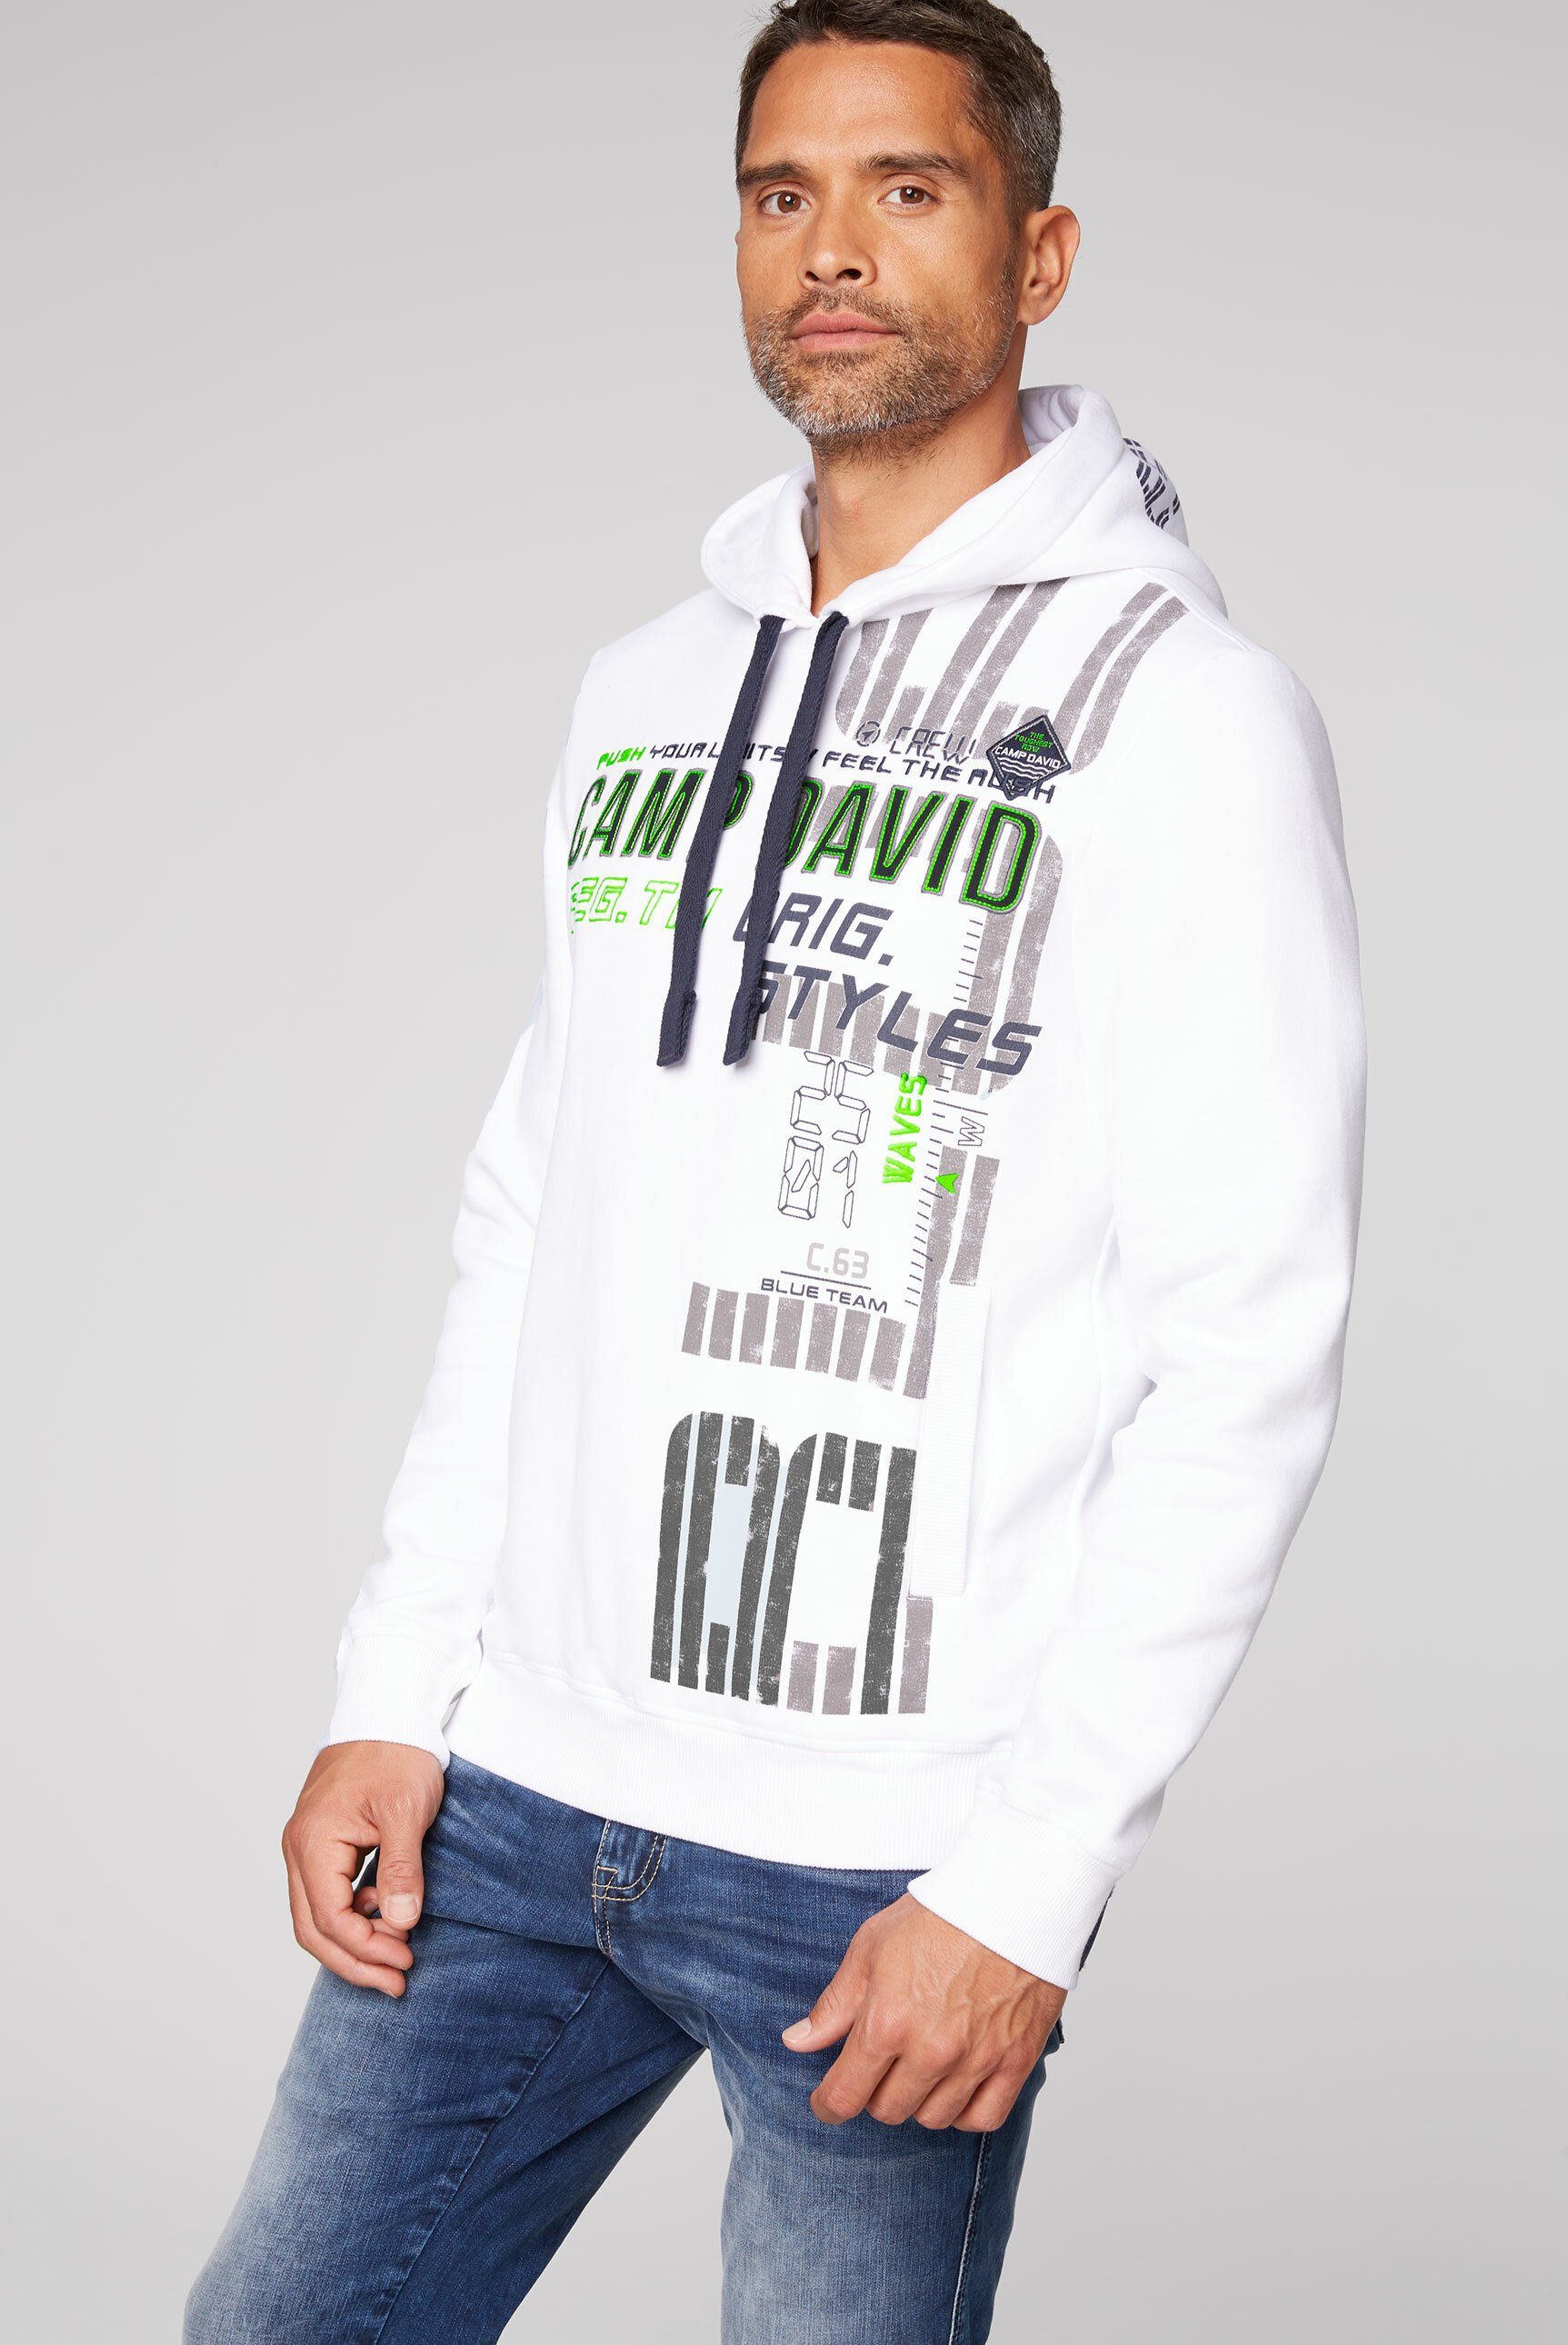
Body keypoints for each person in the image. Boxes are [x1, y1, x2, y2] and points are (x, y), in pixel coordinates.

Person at [185, 3, 1367, 2339]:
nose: (830, 249)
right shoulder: (641, 687)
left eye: (905, 189)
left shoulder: (1181, 719)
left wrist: (1023, 1885)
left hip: (879, 1857)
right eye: (778, 194)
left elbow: (1248, 1346)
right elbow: (534, 1213)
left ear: (1035, 255)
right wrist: (394, 1689)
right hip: (517, 1795)